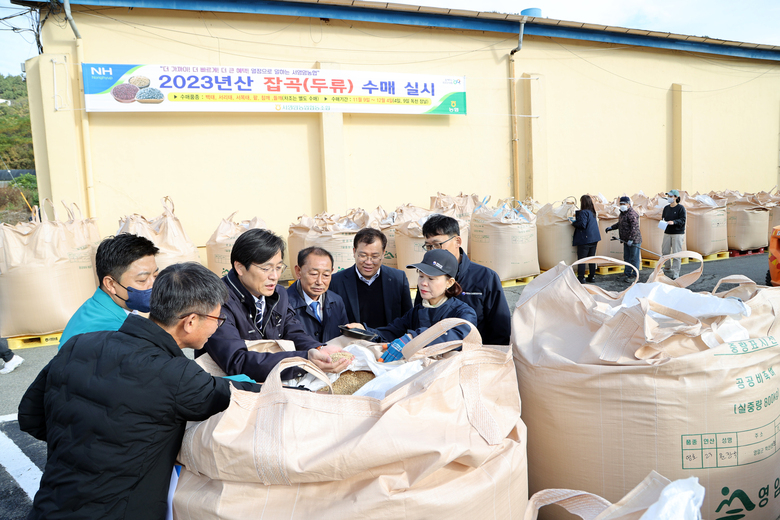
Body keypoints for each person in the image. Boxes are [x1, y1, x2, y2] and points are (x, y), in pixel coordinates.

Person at [18, 262, 261, 520]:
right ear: (190, 322)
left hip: (49, 508)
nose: (217, 328)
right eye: (217, 320)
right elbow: (237, 394)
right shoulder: (177, 376)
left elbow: (30, 417)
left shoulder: (80, 344)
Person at [199, 228, 349, 383]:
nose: (275, 276)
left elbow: (293, 331)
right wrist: (304, 360)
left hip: (271, 381)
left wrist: (318, 349)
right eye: (266, 268)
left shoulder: (278, 294)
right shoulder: (215, 302)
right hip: (227, 389)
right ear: (240, 268)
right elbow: (237, 361)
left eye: (278, 268)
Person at [350, 249, 477, 362]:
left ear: (449, 282)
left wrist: (414, 338)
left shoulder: (463, 313)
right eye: (421, 276)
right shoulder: (417, 311)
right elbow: (392, 331)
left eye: (431, 279)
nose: (423, 283)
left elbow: (458, 337)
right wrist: (365, 330)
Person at [418, 214, 511, 345]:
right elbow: (417, 315)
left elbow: (500, 328)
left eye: (437, 245)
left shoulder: (485, 277)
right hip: (433, 353)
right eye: (428, 247)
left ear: (458, 241)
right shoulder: (426, 277)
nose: (433, 251)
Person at [59, 233, 160, 348]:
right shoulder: (114, 333)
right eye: (142, 280)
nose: (154, 285)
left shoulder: (95, 307)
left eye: (156, 276)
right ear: (111, 284)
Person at [329, 228, 413, 328]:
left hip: (388, 341)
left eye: (374, 256)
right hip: (351, 341)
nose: (368, 262)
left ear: (383, 254)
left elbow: (408, 318)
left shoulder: (398, 279)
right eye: (363, 255)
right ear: (354, 252)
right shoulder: (336, 281)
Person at [287, 246, 349, 343]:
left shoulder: (336, 301)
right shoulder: (283, 304)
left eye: (326, 275)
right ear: (298, 271)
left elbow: (344, 339)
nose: (319, 282)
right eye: (313, 274)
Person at [605, 196, 642, 282]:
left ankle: (635, 275)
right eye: (621, 204)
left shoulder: (632, 214)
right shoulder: (622, 213)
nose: (622, 205)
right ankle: (627, 273)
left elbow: (635, 228)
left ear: (629, 204)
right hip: (625, 240)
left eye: (624, 204)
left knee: (634, 258)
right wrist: (611, 227)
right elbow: (620, 224)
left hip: (634, 241)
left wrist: (631, 239)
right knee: (627, 257)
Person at [571, 194, 602, 283]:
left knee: (582, 260)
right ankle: (592, 277)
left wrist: (573, 223)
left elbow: (582, 225)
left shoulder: (583, 212)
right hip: (594, 239)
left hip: (585, 240)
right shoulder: (592, 212)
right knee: (592, 258)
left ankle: (581, 278)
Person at [661, 189, 687, 279]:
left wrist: (674, 222)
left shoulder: (680, 208)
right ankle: (667, 268)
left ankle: (676, 272)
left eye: (671, 196)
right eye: (668, 196)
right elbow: (663, 218)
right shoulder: (666, 208)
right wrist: (663, 223)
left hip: (677, 233)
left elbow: (683, 220)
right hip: (667, 232)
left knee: (676, 253)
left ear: (676, 197)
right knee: (665, 252)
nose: (669, 198)